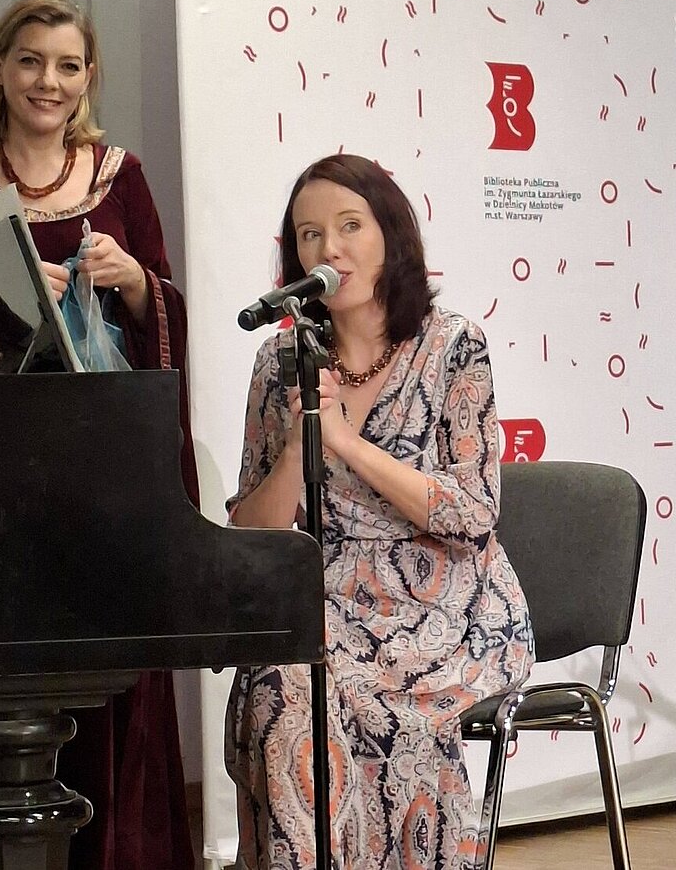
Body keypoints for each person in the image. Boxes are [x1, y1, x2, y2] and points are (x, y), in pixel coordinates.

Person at [0, 0, 196, 870]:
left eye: (68, 66)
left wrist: (131, 280)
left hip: (102, 485)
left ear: (88, 77)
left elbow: (166, 321)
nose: (48, 82)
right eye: (30, 61)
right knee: (3, 687)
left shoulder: (122, 177)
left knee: (111, 675)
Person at [225, 153, 535, 869]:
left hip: (444, 606)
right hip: (324, 602)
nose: (328, 249)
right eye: (309, 235)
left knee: (360, 701)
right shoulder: (280, 363)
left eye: (349, 226)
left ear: (391, 236)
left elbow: (473, 511)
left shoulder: (453, 345)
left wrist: (345, 444)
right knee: (282, 688)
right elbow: (252, 532)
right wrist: (299, 442)